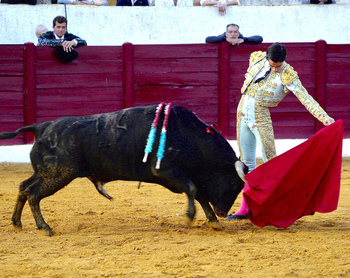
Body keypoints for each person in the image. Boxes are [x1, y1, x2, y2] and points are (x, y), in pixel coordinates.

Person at [225, 42, 335, 220]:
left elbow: (305, 98)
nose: (276, 69)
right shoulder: (256, 58)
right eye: (273, 65)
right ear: (267, 58)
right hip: (242, 111)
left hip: (261, 116)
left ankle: (275, 206)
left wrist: (325, 118)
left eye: (279, 65)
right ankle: (245, 209)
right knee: (247, 163)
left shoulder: (288, 74)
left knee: (270, 163)